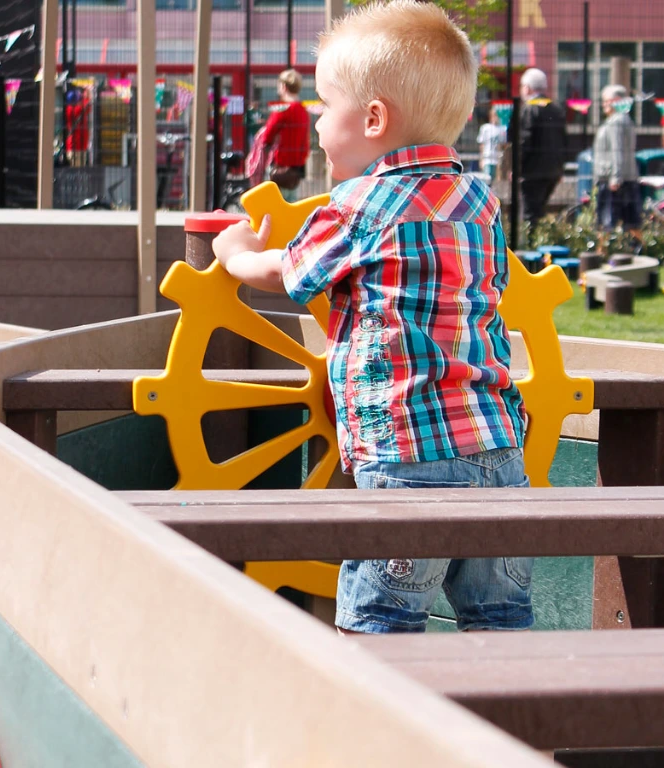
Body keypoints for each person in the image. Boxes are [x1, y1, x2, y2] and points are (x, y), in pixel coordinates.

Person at [212, 0, 530, 635]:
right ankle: (507, 731)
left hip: (406, 454)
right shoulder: (479, 199)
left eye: (327, 107)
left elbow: (290, 274)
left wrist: (236, 252)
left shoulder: (357, 204)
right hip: (498, 447)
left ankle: (380, 736)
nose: (321, 123)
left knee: (380, 625)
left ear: (374, 118)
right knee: (499, 619)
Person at [518, 67, 566, 234]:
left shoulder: (529, 109)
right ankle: (539, 242)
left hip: (532, 171)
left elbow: (524, 141)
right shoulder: (556, 108)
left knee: (530, 213)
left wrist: (517, 167)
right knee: (540, 210)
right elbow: (563, 141)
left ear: (528, 88)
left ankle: (530, 247)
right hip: (552, 171)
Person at [593, 84, 641, 240]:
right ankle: (641, 250)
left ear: (617, 100)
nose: (603, 105)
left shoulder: (616, 121)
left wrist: (616, 178)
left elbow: (617, 150)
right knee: (631, 221)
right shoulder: (624, 119)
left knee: (606, 222)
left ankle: (602, 254)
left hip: (613, 180)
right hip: (625, 177)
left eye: (606, 101)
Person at [258, 69, 311, 198]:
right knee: (291, 204)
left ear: (283, 86)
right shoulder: (303, 110)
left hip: (279, 166)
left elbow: (268, 134)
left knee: (273, 203)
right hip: (296, 168)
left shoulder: (282, 108)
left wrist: (266, 143)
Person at [476, 105, 507, 183]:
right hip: (487, 158)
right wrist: (481, 159)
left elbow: (502, 145)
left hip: (497, 158)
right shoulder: (485, 128)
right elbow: (482, 144)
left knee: (496, 181)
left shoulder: (502, 129)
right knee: (487, 180)